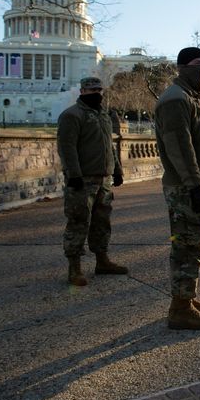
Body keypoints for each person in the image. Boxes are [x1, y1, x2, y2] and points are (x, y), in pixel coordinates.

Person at [154, 47, 200, 330]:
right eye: (197, 64)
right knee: (186, 246)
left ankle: (185, 298)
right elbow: (180, 149)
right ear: (182, 67)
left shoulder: (191, 97)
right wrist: (196, 185)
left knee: (193, 244)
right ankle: (180, 309)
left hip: (194, 185)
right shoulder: (175, 100)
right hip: (184, 187)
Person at [57, 76, 128, 286]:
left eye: (99, 89)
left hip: (103, 178)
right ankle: (74, 268)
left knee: (101, 222)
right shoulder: (72, 115)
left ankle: (102, 260)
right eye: (91, 90)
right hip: (82, 179)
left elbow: (108, 145)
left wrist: (116, 170)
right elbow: (67, 148)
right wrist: (74, 175)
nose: (96, 93)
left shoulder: (103, 115)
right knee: (78, 221)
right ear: (82, 92)